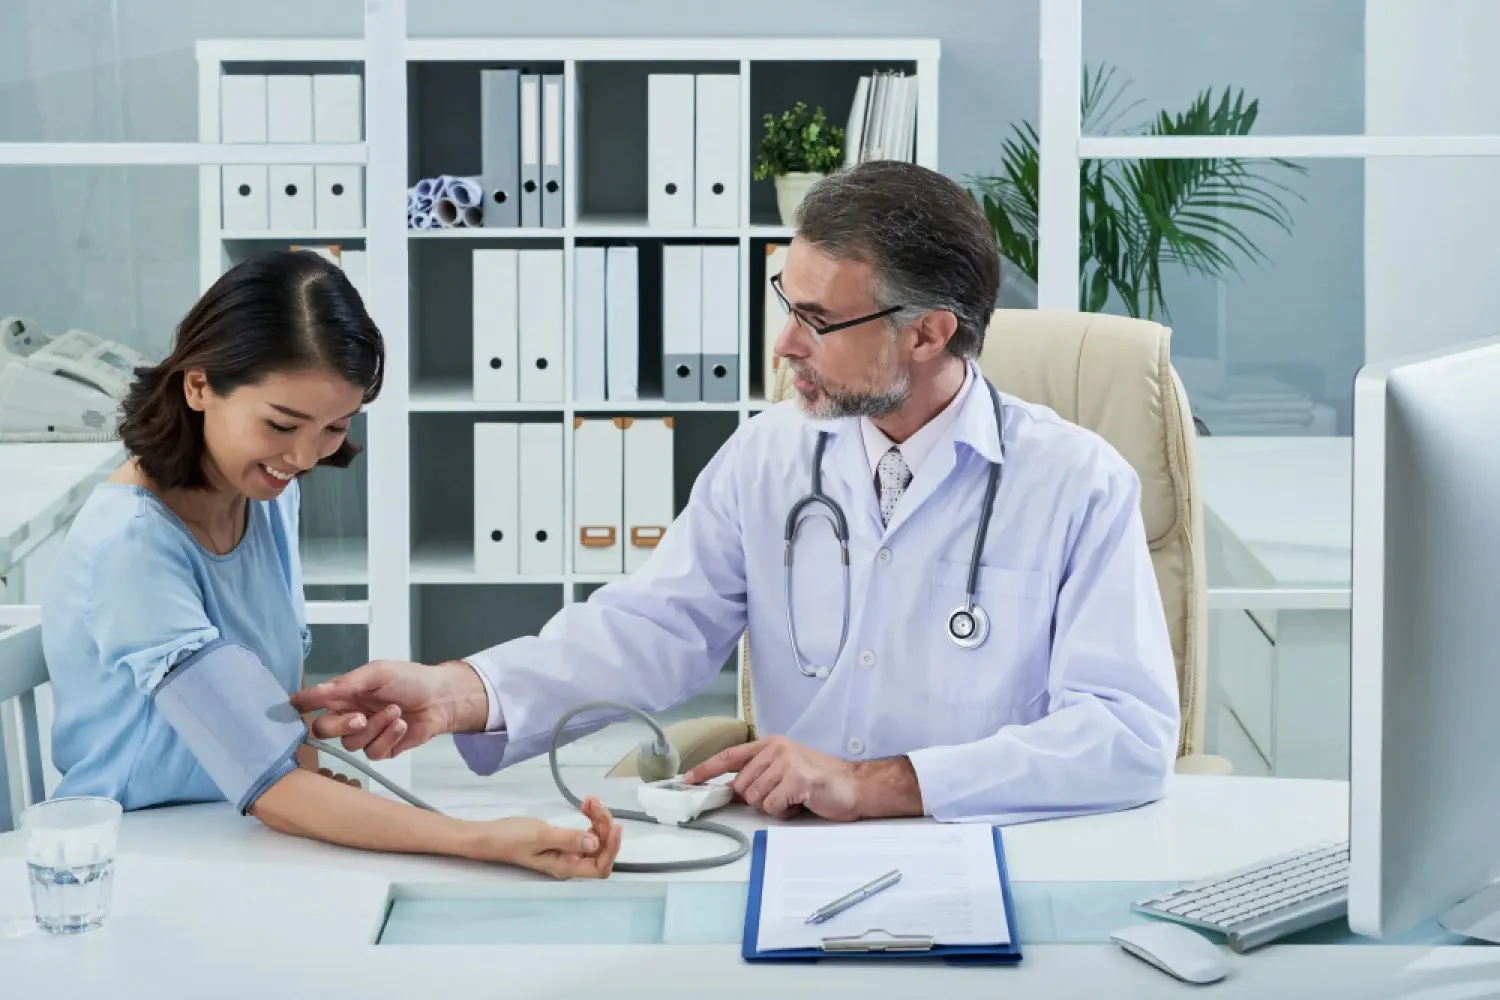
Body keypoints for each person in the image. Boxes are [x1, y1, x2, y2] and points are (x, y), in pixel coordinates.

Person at [294, 161, 1182, 826]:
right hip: (797, 855)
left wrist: (882, 783)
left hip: (988, 850)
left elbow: (1126, 735)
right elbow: (650, 630)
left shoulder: (1076, 483)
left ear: (931, 332)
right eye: (785, 303)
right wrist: (459, 692)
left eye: (820, 321)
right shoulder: (769, 458)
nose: (784, 345)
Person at [42, 250, 621, 878]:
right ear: (199, 384)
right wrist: (483, 841)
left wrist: (315, 726)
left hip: (228, 830)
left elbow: (251, 723)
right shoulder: (133, 545)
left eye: (333, 428)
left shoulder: (266, 498)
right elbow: (265, 780)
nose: (303, 456)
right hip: (136, 852)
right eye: (282, 424)